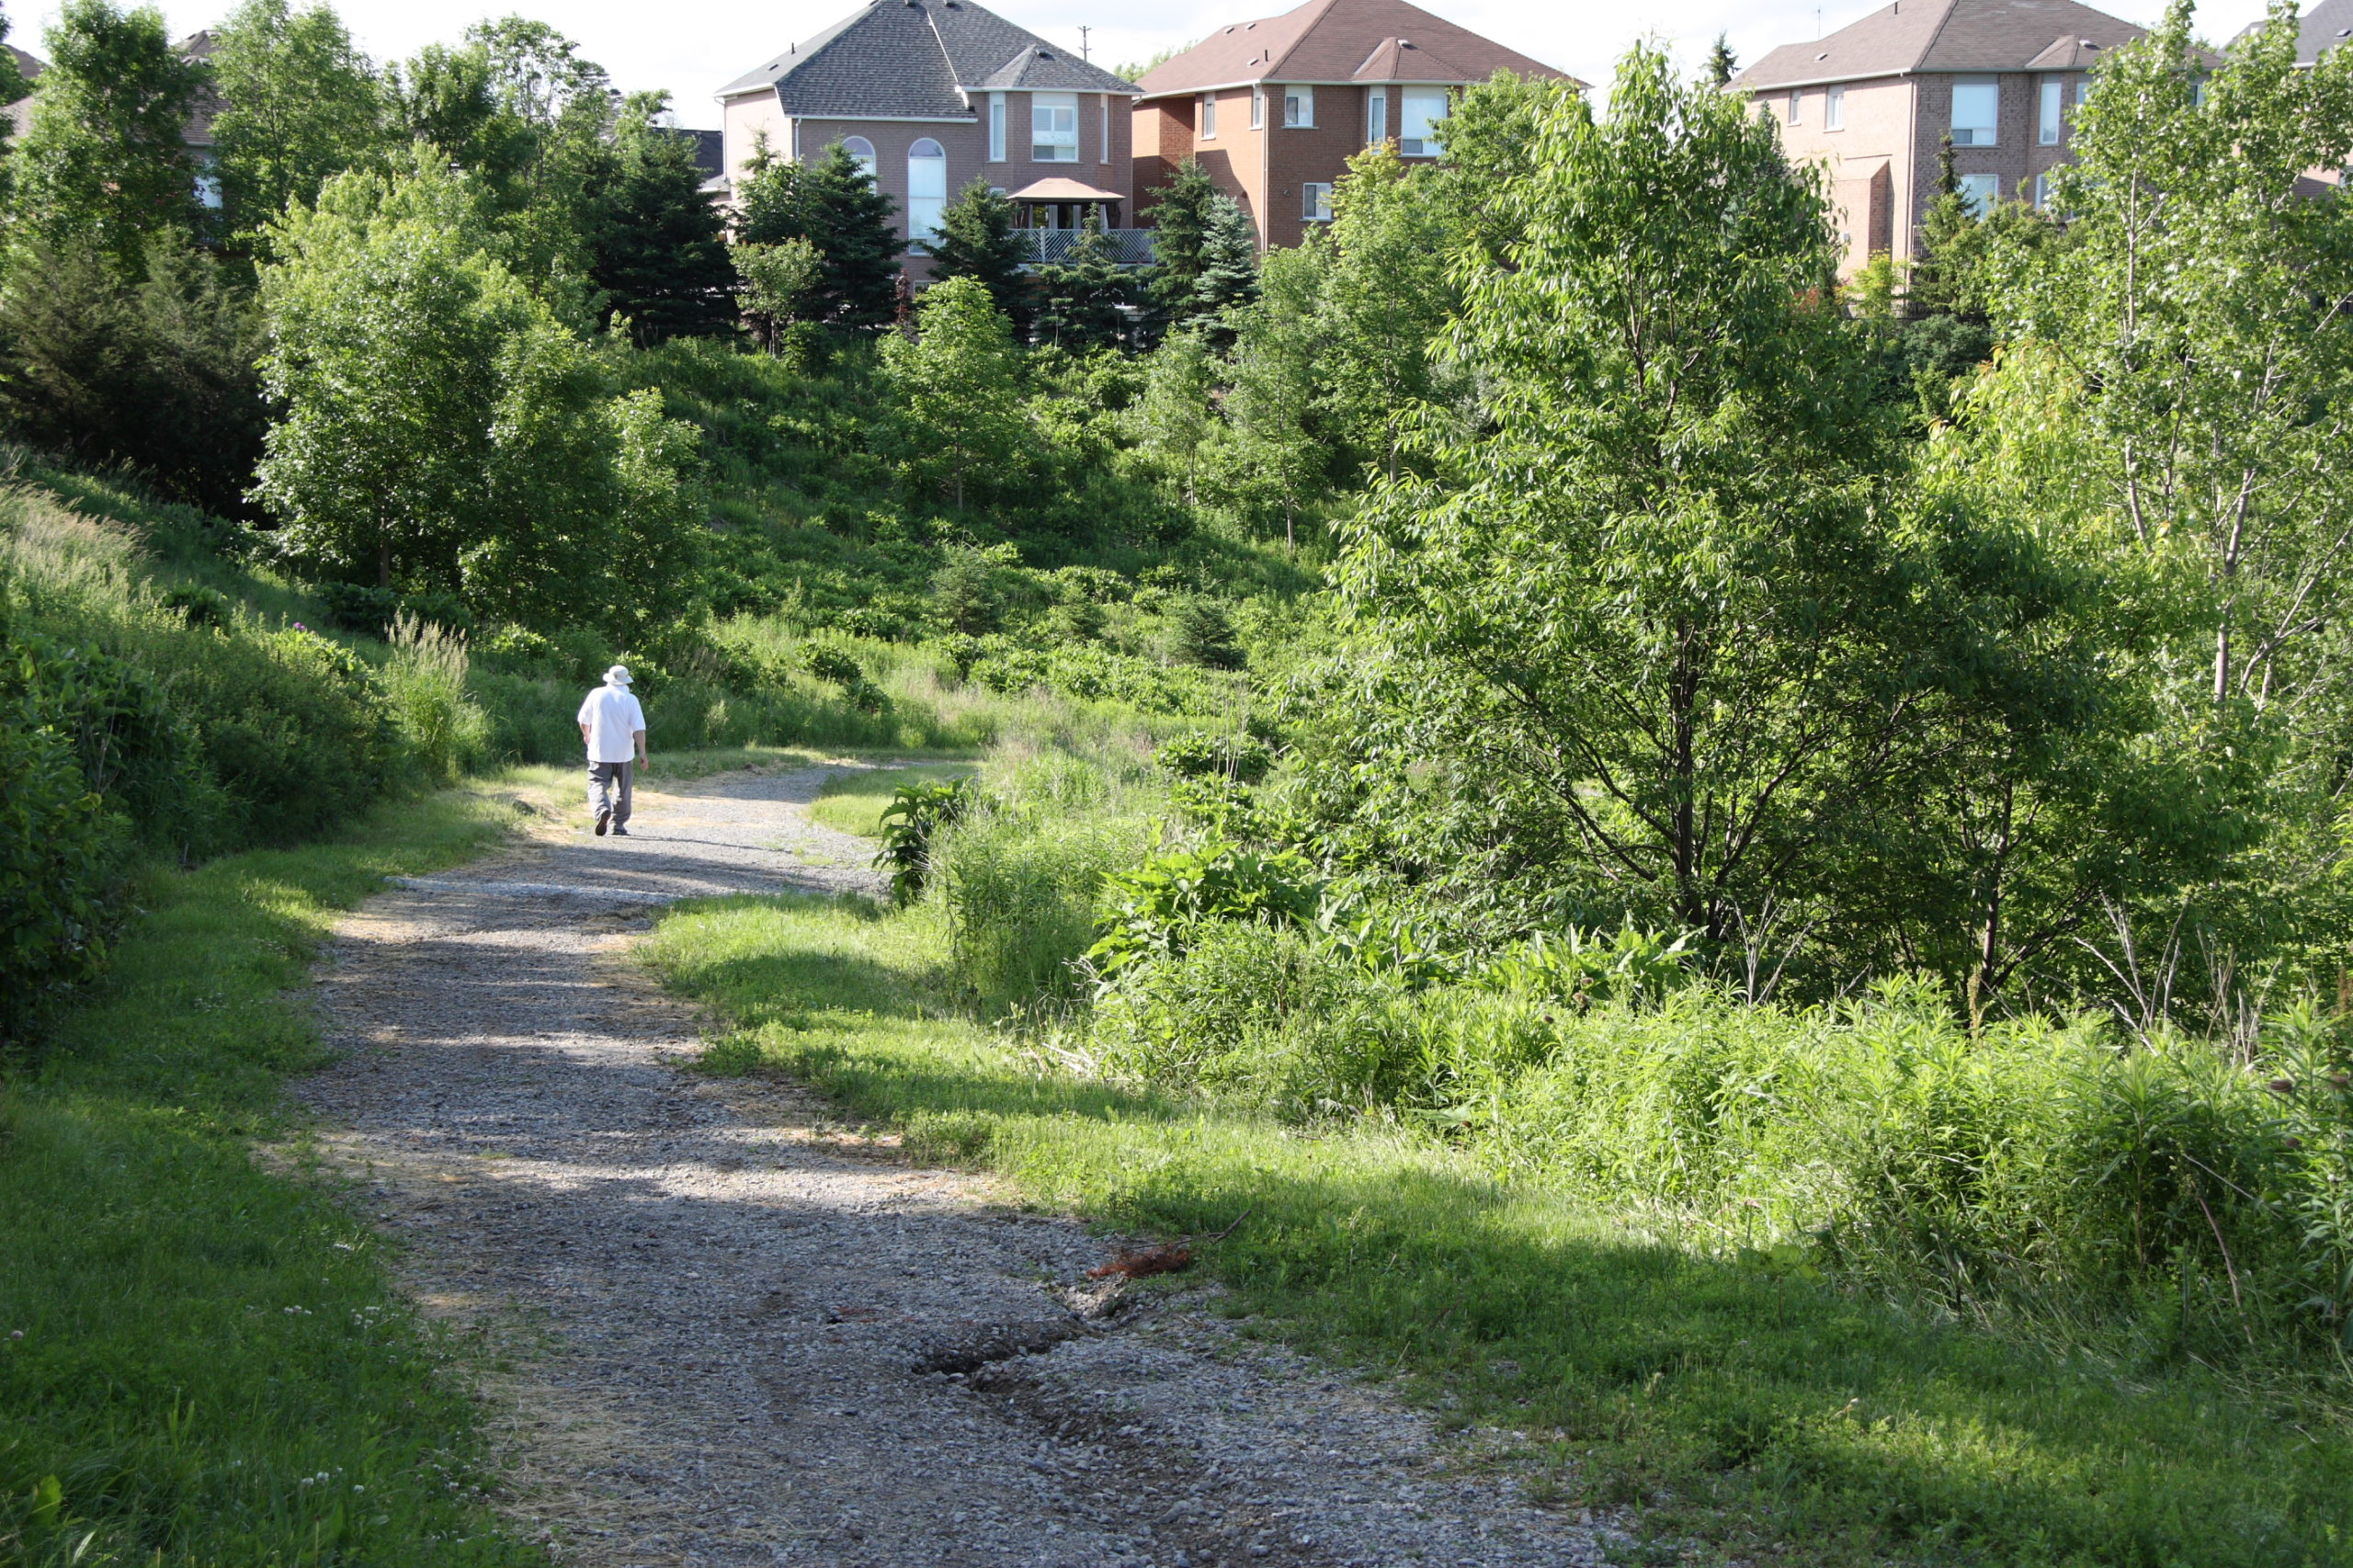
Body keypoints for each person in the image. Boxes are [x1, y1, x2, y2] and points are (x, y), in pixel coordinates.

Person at [577, 665, 647, 836]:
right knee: (623, 789)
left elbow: (583, 719)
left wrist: (587, 735)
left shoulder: (596, 694)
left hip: (599, 750)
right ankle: (619, 825)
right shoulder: (631, 699)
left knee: (597, 783)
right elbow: (639, 728)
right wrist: (643, 753)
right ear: (625, 681)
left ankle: (602, 810)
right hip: (623, 753)